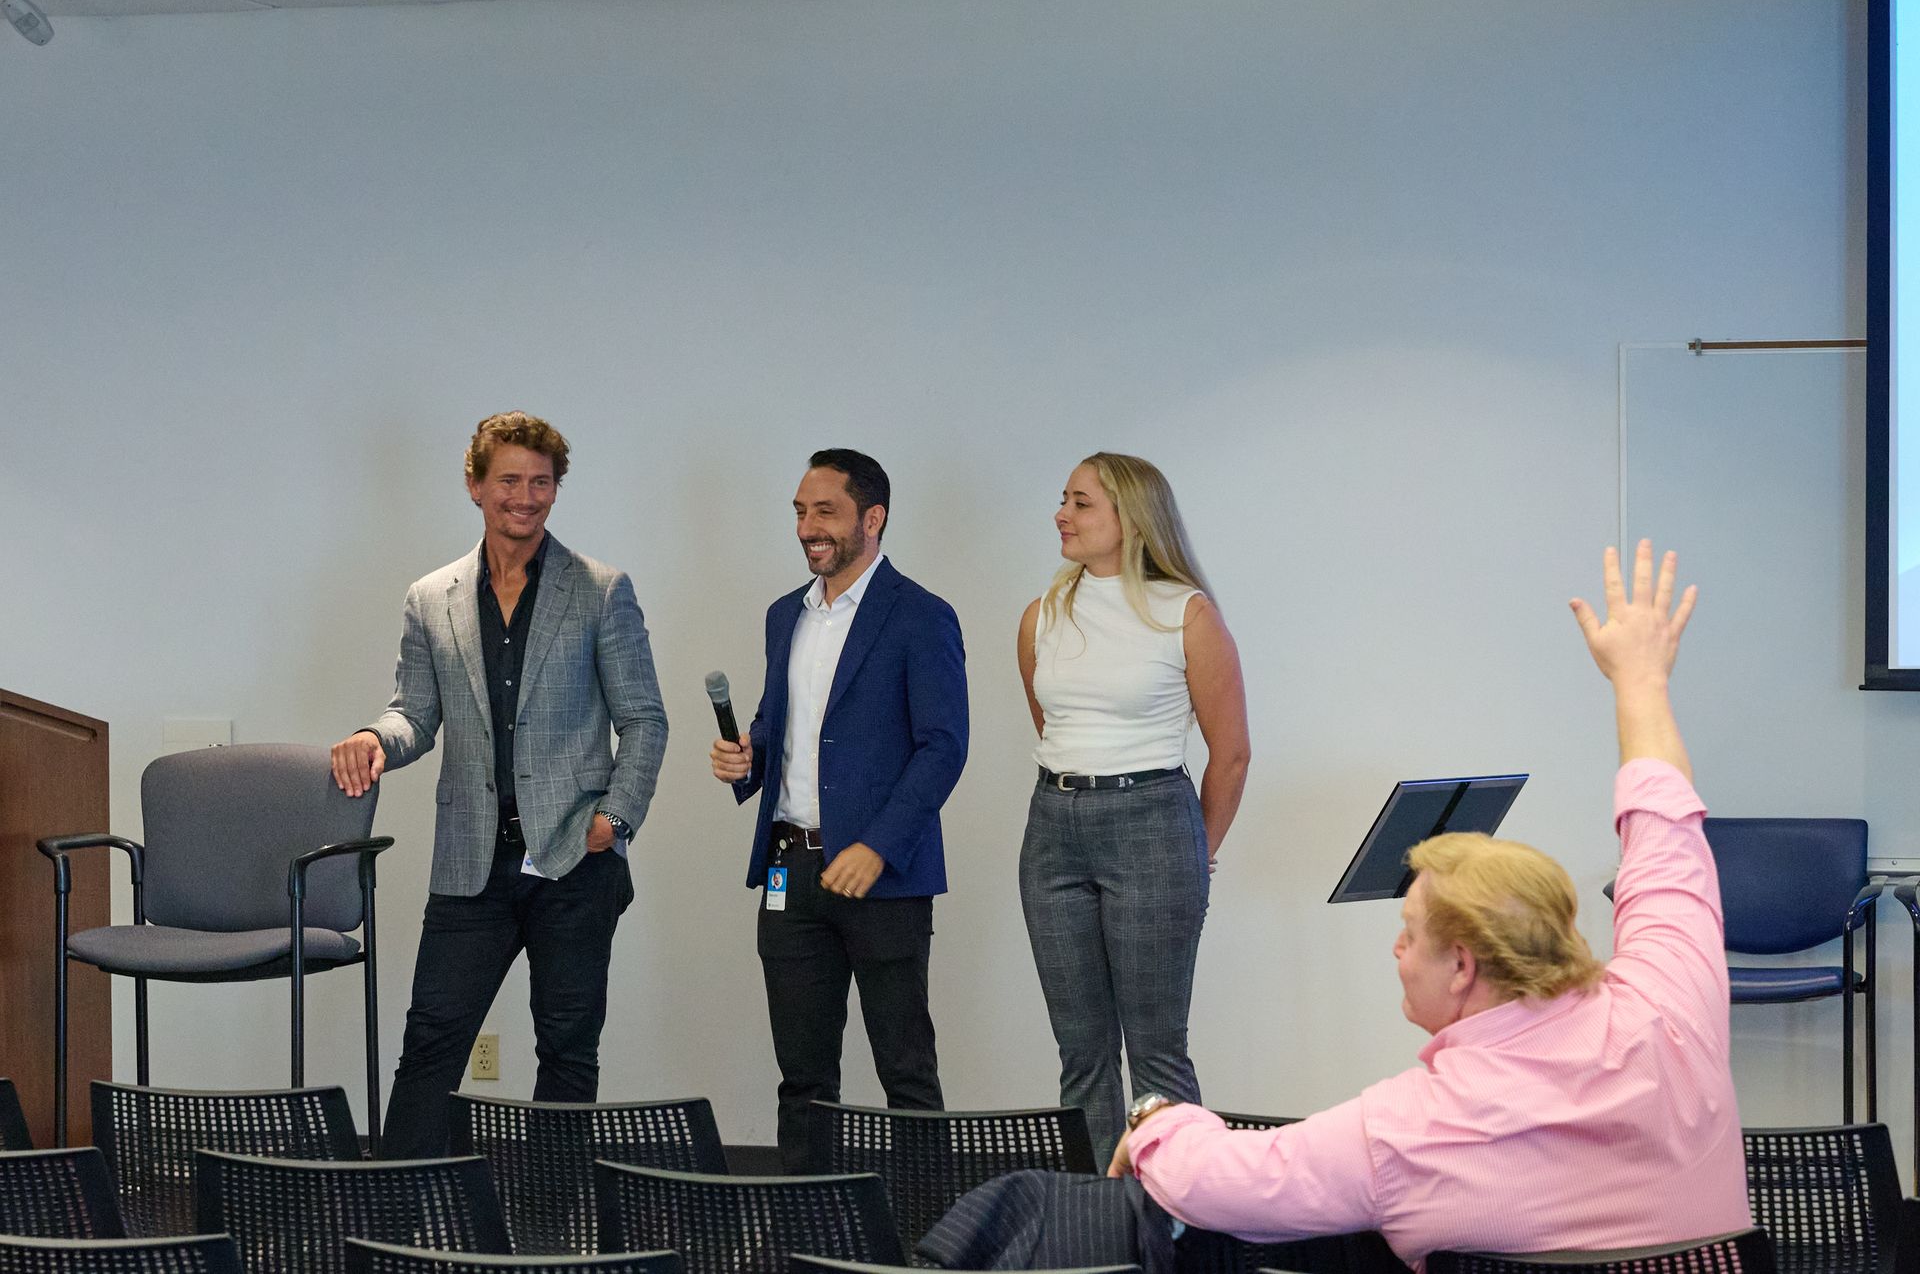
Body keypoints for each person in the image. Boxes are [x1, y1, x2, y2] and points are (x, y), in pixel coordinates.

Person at [1107, 541, 1751, 1266]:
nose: (1396, 949)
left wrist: (1158, 1118)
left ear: (1463, 966)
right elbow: (1665, 830)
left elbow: (1218, 1182)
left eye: (1410, 934)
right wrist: (1641, 680)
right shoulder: (1672, 1008)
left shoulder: (1405, 1133)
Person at [330, 411, 668, 1158]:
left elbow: (645, 719)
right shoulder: (431, 597)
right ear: (476, 485)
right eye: (510, 480)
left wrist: (616, 819)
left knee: (568, 1053)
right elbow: (414, 715)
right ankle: (394, 1220)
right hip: (470, 864)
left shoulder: (601, 591)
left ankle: (550, 1230)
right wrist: (370, 739)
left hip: (576, 863)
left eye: (541, 482)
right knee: (430, 1043)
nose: (526, 496)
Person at [709, 448, 969, 1173]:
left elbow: (943, 748)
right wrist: (748, 758)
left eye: (824, 511)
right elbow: (779, 723)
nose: (807, 527)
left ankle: (928, 1235)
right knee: (803, 1077)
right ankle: (806, 1226)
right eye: (799, 511)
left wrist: (879, 845)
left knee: (906, 1074)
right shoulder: (783, 616)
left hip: (881, 877)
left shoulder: (921, 616)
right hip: (790, 869)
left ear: (872, 518)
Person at [1016, 452, 1250, 1162]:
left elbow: (1231, 753)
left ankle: (1178, 1218)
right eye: (1064, 499)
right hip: (1054, 828)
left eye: (1081, 502)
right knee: (1080, 1051)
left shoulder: (1188, 614)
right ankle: (1098, 1222)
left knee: (1156, 1051)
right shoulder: (1040, 617)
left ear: (1130, 518)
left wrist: (1195, 855)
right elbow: (1054, 727)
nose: (1062, 513)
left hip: (1152, 825)